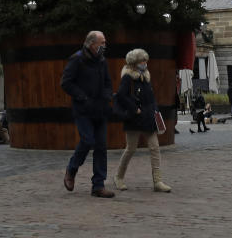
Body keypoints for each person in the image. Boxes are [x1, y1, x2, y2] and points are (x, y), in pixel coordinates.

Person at [61, 30, 115, 198]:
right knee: (87, 140)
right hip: (83, 109)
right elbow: (66, 83)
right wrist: (81, 97)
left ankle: (98, 185)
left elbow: (108, 82)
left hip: (100, 109)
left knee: (101, 146)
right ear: (92, 44)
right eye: (102, 43)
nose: (104, 46)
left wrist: (107, 95)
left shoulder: (102, 61)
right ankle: (72, 169)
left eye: (105, 43)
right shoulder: (77, 59)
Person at [113, 48, 171, 193]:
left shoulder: (146, 76)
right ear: (134, 62)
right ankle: (119, 177)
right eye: (142, 61)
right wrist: (134, 109)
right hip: (134, 118)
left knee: (155, 148)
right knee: (131, 149)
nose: (145, 63)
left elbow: (151, 99)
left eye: (145, 60)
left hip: (148, 117)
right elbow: (121, 95)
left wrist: (155, 112)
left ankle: (158, 181)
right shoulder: (128, 77)